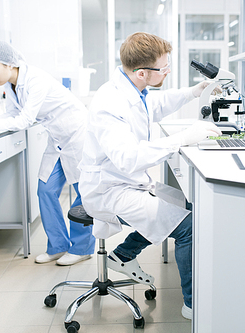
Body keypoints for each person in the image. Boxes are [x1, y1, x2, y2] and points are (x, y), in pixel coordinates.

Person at [78, 32, 221, 319]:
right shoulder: (110, 103)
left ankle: (124, 254)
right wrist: (182, 138)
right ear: (143, 72)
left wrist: (194, 91)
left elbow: (155, 104)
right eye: (164, 69)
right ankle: (193, 304)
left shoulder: (133, 89)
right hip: (108, 191)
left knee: (187, 205)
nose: (167, 72)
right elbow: (128, 158)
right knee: (188, 226)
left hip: (125, 182)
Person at [0, 40, 96, 266]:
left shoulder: (35, 79)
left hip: (77, 135)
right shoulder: (9, 85)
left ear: (9, 64)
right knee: (45, 190)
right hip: (57, 138)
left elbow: (25, 119)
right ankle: (59, 246)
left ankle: (82, 248)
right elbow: (12, 113)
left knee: (82, 192)